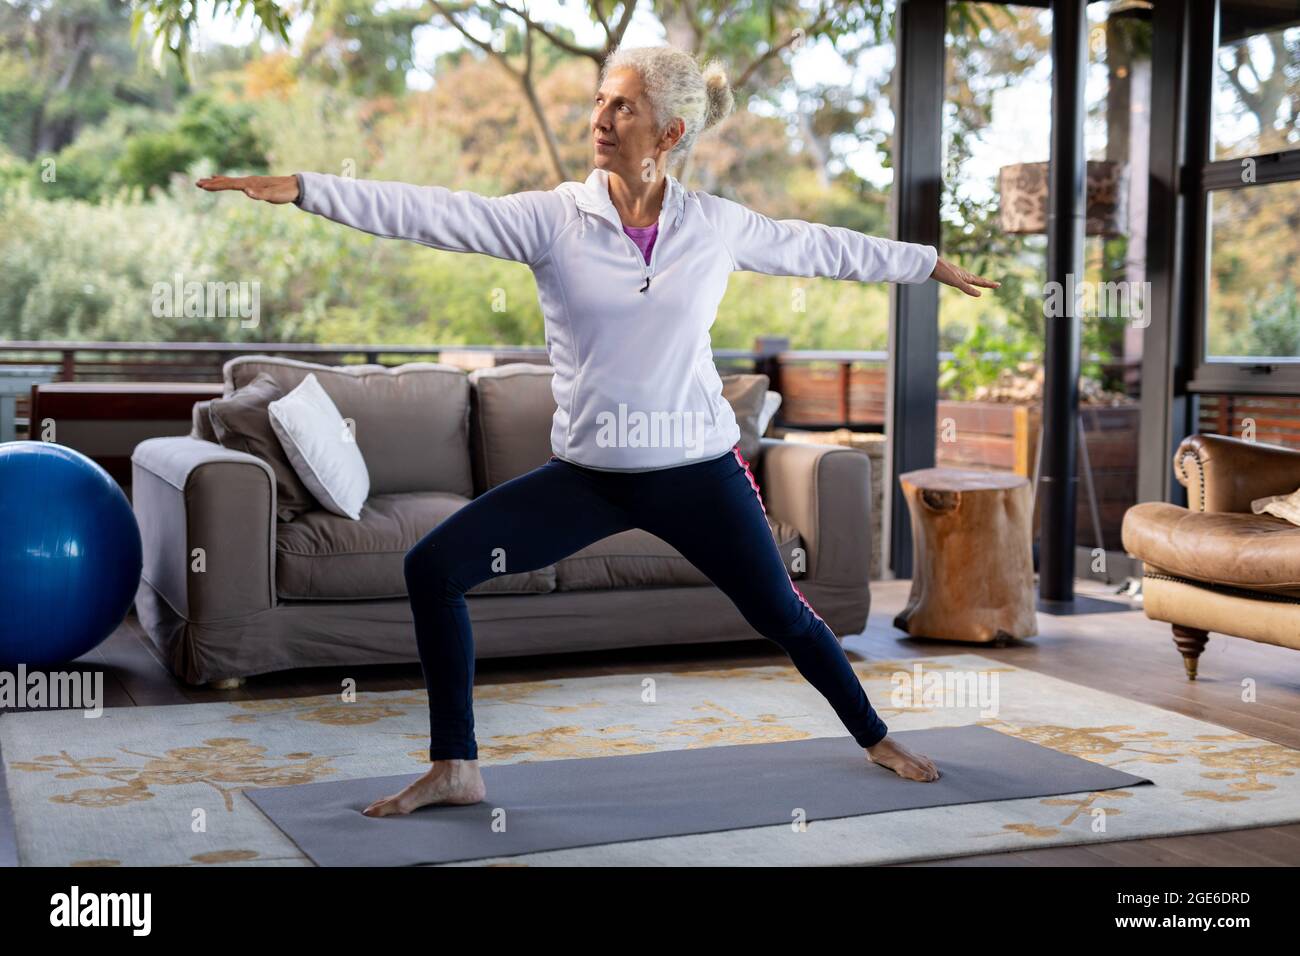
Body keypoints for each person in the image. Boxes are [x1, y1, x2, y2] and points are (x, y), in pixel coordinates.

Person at [197, 44, 998, 818]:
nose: (602, 118)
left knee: (783, 614)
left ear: (670, 134)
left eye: (624, 105)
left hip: (699, 473)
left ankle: (877, 736)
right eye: (600, 101)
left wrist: (925, 263)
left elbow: (821, 246)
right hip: (587, 479)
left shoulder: (714, 226)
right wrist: (307, 188)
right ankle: (456, 768)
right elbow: (436, 213)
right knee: (432, 567)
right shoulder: (555, 221)